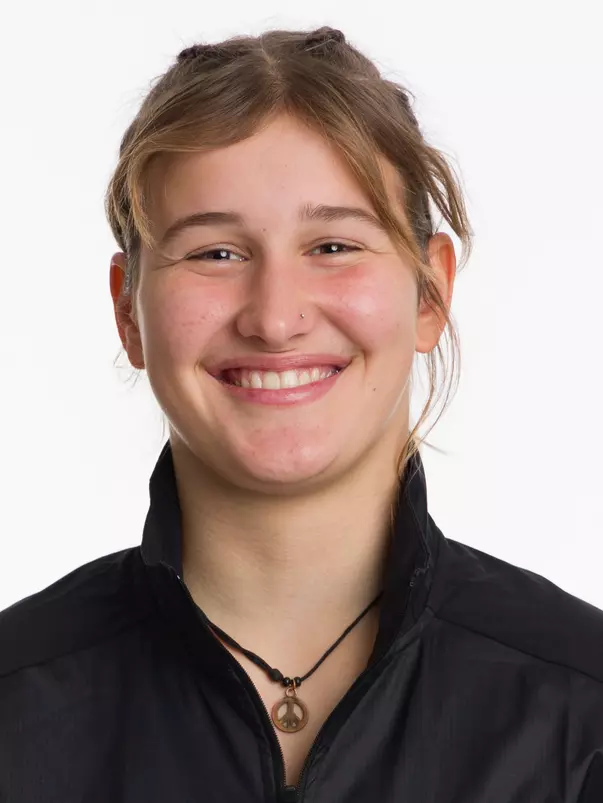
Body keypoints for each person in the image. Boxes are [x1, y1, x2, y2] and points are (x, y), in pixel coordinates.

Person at [1, 25, 602, 803]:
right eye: (215, 253)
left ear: (430, 293)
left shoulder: (582, 709)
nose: (275, 317)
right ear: (127, 311)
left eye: (333, 246)